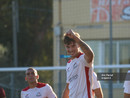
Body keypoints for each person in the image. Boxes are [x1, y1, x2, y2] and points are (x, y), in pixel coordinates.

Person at [62, 29, 94, 98]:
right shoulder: (69, 64)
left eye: (73, 46)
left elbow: (90, 55)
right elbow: (68, 88)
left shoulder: (83, 58)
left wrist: (76, 38)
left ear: (78, 45)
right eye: (68, 47)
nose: (70, 50)